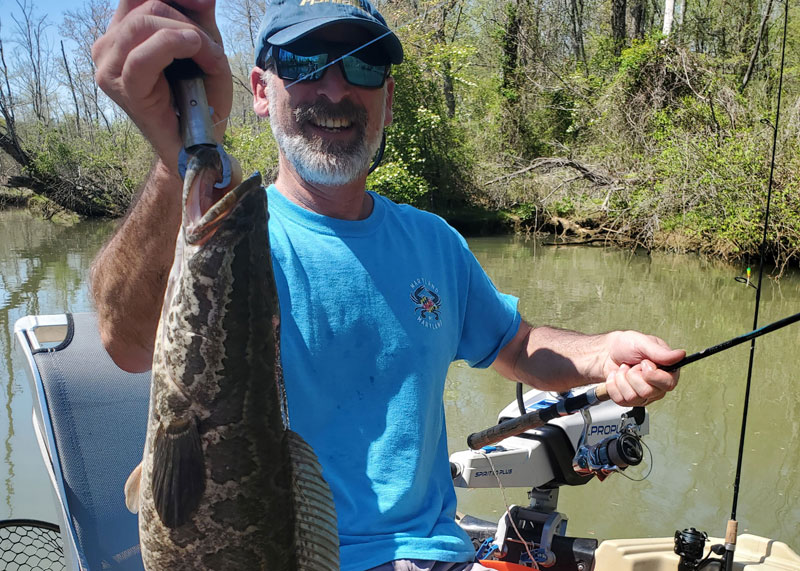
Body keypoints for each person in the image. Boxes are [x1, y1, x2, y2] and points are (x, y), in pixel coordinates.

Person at [90, 1, 685, 570]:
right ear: (261, 91)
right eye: (304, 62)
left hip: (439, 555)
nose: (335, 88)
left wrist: (603, 354)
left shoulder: (433, 242)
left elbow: (517, 347)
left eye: (364, 65)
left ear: (388, 100)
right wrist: (176, 160)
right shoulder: (242, 245)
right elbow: (127, 341)